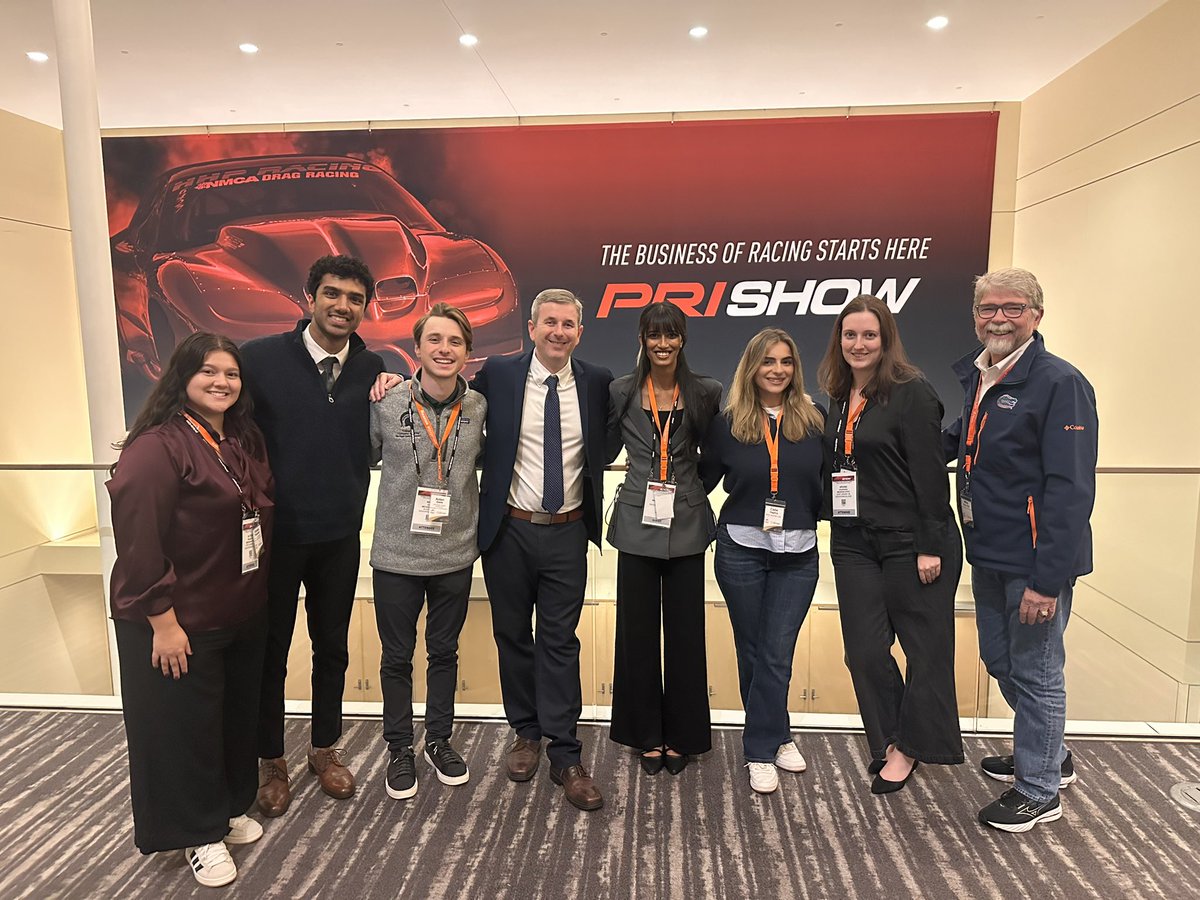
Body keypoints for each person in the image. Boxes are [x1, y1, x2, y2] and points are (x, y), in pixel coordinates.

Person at [107, 332, 274, 888]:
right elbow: (137, 540)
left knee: (228, 721)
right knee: (182, 729)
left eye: (231, 373)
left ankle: (224, 810)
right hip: (177, 621)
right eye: (209, 371)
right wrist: (162, 621)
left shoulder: (239, 438)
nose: (221, 382)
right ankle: (195, 834)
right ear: (182, 376)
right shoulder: (158, 446)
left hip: (237, 609)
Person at [944, 268, 1097, 832]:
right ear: (976, 315)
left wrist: (1045, 578)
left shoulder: (1060, 383)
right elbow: (964, 439)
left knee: (1036, 670)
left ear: (1036, 314)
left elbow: (1071, 489)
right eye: (988, 309)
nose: (999, 318)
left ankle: (1038, 789)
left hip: (1034, 563)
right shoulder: (983, 376)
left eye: (1012, 308)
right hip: (989, 550)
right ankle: (1049, 753)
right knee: (1001, 659)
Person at [242, 254, 385, 816]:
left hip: (340, 535)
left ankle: (324, 750)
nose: (343, 306)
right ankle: (270, 760)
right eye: (332, 294)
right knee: (270, 652)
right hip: (277, 536)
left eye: (354, 299)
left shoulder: (374, 369)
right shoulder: (259, 361)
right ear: (309, 297)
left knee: (333, 648)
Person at [473, 288, 618, 811]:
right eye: (549, 322)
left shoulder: (598, 382)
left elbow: (608, 444)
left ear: (580, 332)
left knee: (559, 640)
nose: (559, 332)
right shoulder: (500, 374)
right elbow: (449, 402)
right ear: (531, 327)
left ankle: (566, 751)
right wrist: (389, 378)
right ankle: (526, 733)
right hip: (508, 531)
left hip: (566, 531)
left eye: (568, 324)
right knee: (512, 635)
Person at [817, 294, 964, 794]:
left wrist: (930, 545)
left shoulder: (911, 392)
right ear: (840, 340)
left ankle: (906, 749)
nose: (859, 344)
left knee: (925, 652)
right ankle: (893, 738)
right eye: (850, 335)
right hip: (854, 541)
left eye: (869, 335)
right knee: (862, 651)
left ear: (886, 340)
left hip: (912, 543)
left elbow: (929, 474)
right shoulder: (840, 395)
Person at [369, 302, 486, 800]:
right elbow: (359, 457)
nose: (445, 349)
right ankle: (399, 748)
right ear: (416, 349)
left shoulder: (479, 407)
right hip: (396, 555)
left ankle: (438, 739)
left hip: (455, 555)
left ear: (467, 354)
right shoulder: (386, 400)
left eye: (455, 342)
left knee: (444, 652)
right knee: (396, 658)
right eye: (434, 340)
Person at [700, 328, 825, 794]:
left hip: (799, 552)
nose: (777, 370)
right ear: (751, 367)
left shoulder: (815, 419)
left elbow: (832, 481)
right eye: (768, 361)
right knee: (753, 650)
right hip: (741, 549)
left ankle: (766, 738)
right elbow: (705, 478)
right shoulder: (728, 422)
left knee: (777, 652)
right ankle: (767, 745)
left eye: (786, 362)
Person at [607, 301, 721, 775]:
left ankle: (683, 735)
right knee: (635, 634)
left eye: (671, 335)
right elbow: (603, 446)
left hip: (688, 522)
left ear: (683, 339)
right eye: (654, 335)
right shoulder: (619, 390)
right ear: (642, 339)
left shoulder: (707, 392)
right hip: (636, 521)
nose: (663, 344)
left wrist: (691, 491)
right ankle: (645, 735)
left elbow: (716, 457)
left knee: (685, 634)